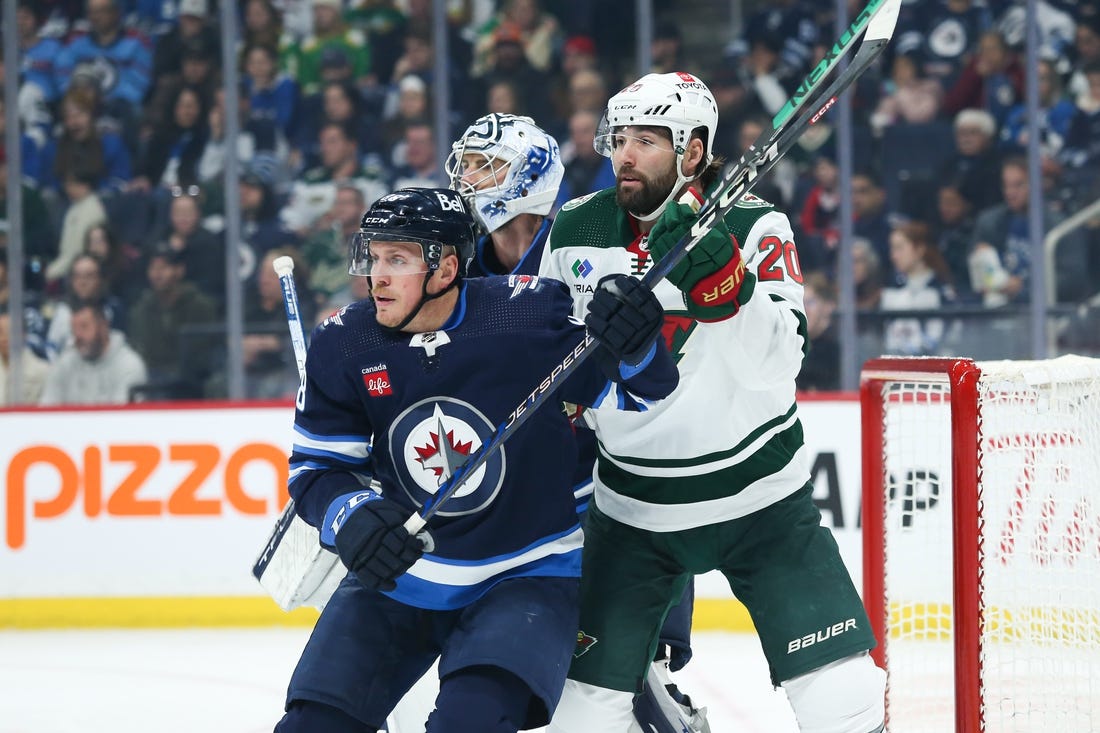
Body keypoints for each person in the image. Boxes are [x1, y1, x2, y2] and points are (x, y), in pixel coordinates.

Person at [538, 71, 886, 732]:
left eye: (646, 140)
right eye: (619, 139)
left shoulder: (754, 225)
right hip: (632, 507)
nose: (625, 155)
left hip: (760, 499)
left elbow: (780, 362)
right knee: (577, 714)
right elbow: (548, 358)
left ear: (693, 151)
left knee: (844, 696)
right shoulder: (577, 226)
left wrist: (732, 289)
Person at [274, 186, 679, 733]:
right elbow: (316, 470)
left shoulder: (524, 317)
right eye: (374, 257)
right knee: (313, 725)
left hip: (525, 574)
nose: (377, 277)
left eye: (398, 259)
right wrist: (352, 515)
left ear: (445, 270)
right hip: (403, 573)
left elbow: (642, 392)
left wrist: (637, 346)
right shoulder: (344, 343)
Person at [446, 111, 709, 733]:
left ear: (530, 177)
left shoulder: (584, 240)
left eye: (487, 166)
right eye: (467, 165)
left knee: (619, 645)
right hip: (532, 478)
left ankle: (659, 677)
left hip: (611, 459)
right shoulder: (464, 266)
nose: (468, 180)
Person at [39, 298, 147, 406]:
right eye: (74, 329)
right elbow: (47, 409)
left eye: (84, 327)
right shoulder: (64, 364)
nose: (78, 335)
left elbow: (122, 414)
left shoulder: (129, 365)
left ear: (103, 326)